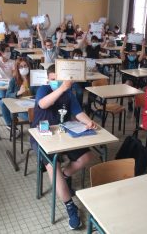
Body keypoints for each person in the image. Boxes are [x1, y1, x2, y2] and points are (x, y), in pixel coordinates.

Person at [30, 65, 96, 229]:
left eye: (59, 80)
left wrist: (88, 122)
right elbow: (44, 104)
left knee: (87, 156)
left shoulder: (69, 94)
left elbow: (77, 112)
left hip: (63, 133)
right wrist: (62, 88)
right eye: (53, 79)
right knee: (54, 166)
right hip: (42, 135)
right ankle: (70, 207)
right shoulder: (43, 90)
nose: (56, 82)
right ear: (48, 80)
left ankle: (65, 176)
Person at [0, 58, 36, 130]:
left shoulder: (34, 77)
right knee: (2, 103)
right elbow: (8, 95)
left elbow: (39, 93)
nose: (24, 68)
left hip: (32, 105)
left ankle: (36, 128)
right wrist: (18, 92)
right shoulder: (14, 80)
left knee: (33, 117)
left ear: (28, 66)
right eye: (21, 67)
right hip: (20, 107)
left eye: (25, 66)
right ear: (17, 68)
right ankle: (10, 125)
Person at [120, 34, 146, 111]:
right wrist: (124, 42)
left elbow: (142, 54)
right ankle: (130, 102)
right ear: (128, 54)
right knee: (128, 85)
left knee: (145, 88)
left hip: (136, 77)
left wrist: (143, 45)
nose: (132, 55)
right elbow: (121, 51)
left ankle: (137, 104)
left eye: (134, 54)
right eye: (130, 54)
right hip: (127, 77)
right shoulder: (125, 59)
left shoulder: (136, 59)